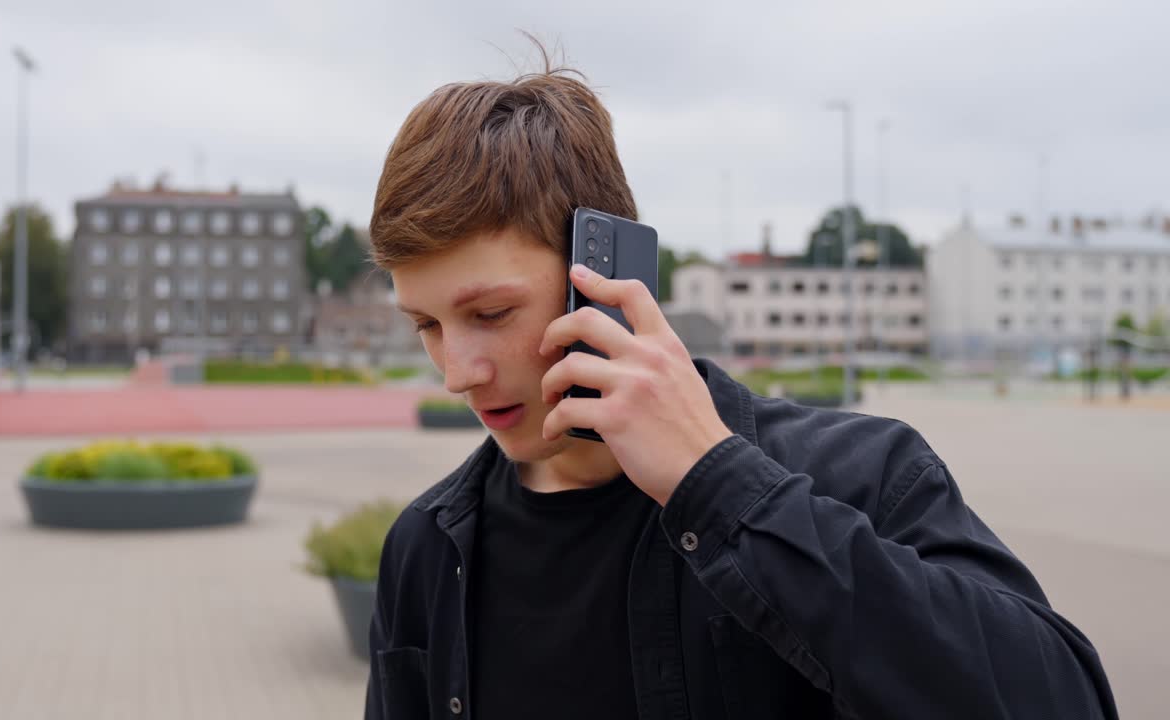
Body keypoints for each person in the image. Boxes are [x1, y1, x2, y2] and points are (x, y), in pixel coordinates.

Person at [363, 48, 1117, 720]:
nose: (457, 372)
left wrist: (719, 487)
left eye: (490, 313)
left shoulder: (863, 476)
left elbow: (1064, 699)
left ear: (608, 280)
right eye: (425, 325)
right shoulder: (426, 549)